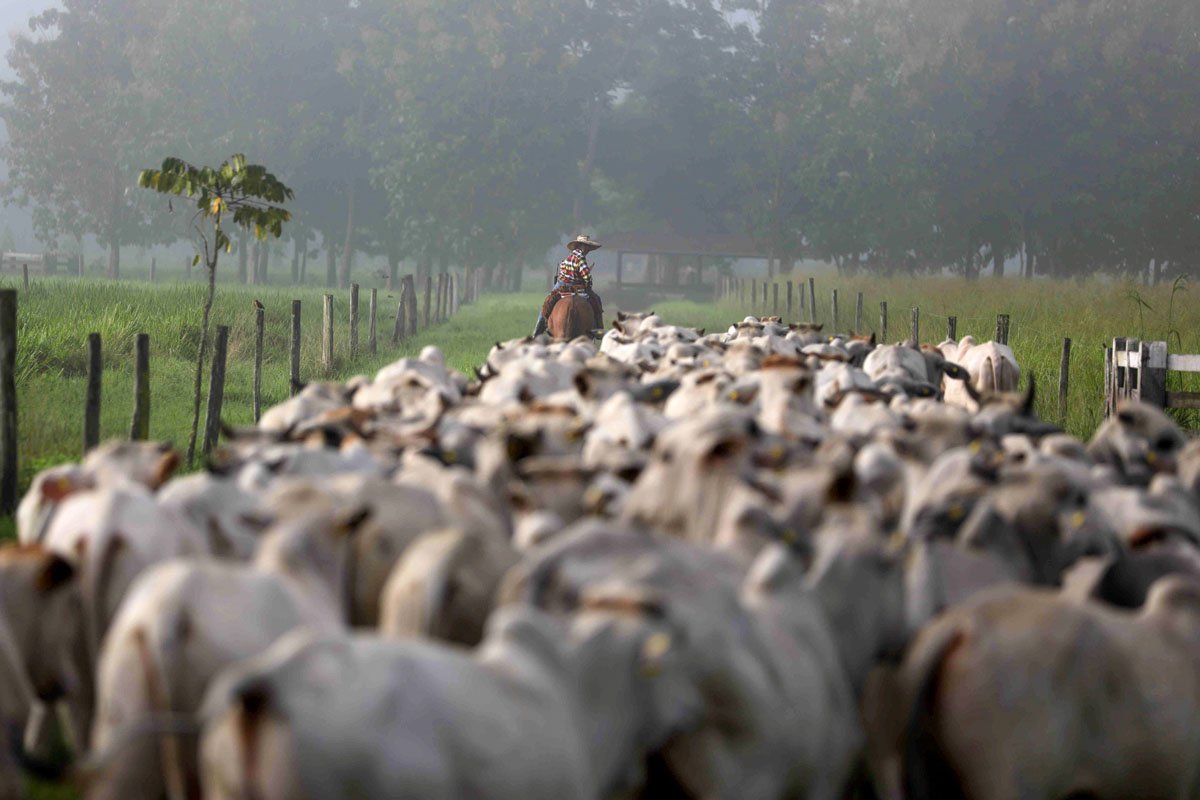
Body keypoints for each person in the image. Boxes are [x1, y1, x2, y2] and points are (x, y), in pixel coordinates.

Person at [533, 234, 604, 337]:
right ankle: (599, 331)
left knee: (547, 303)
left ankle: (537, 331)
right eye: (587, 247)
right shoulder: (581, 258)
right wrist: (588, 282)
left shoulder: (568, 257)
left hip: (561, 285)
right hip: (578, 287)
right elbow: (586, 277)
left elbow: (563, 271)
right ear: (582, 246)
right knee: (596, 300)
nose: (588, 250)